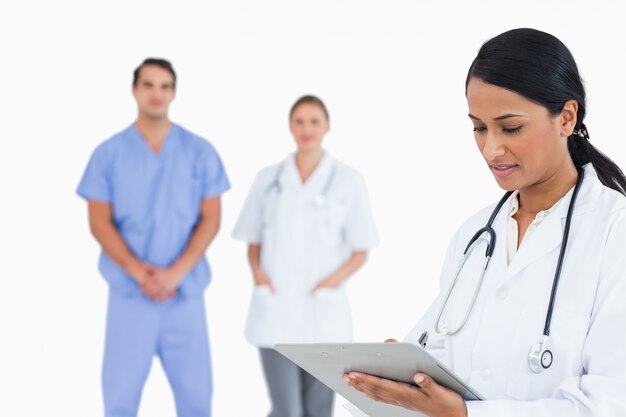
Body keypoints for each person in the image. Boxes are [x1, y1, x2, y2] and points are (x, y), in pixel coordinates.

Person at [344, 28, 626, 417]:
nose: (491, 149)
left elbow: (611, 403)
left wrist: (463, 414)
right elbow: (441, 355)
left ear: (566, 117)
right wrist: (403, 379)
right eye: (479, 127)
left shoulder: (615, 232)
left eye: (511, 128)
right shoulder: (475, 237)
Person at [77, 58, 230, 417]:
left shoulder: (200, 151)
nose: (156, 93)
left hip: (184, 295)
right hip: (131, 297)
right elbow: (99, 223)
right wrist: (141, 274)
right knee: (119, 402)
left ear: (174, 92)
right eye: (148, 85)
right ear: (135, 90)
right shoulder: (108, 154)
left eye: (165, 86)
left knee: (196, 401)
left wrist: (174, 274)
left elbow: (211, 219)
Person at [233, 95, 379, 417]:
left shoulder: (348, 180)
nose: (307, 128)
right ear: (290, 127)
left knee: (317, 410)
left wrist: (330, 283)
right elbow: (252, 238)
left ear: (327, 126)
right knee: (287, 410)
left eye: (314, 121)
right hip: (275, 309)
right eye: (299, 121)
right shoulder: (268, 179)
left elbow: (360, 249)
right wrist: (257, 274)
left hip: (321, 313)